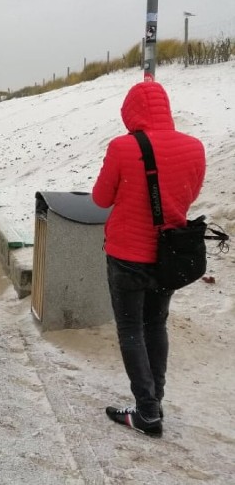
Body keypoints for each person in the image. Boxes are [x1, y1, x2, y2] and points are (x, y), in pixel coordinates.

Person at [92, 81, 205, 438]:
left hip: (127, 255)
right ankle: (155, 400)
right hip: (168, 255)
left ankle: (146, 411)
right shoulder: (194, 147)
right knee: (156, 325)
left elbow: (100, 198)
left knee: (130, 329)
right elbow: (189, 193)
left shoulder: (123, 147)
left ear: (131, 110)